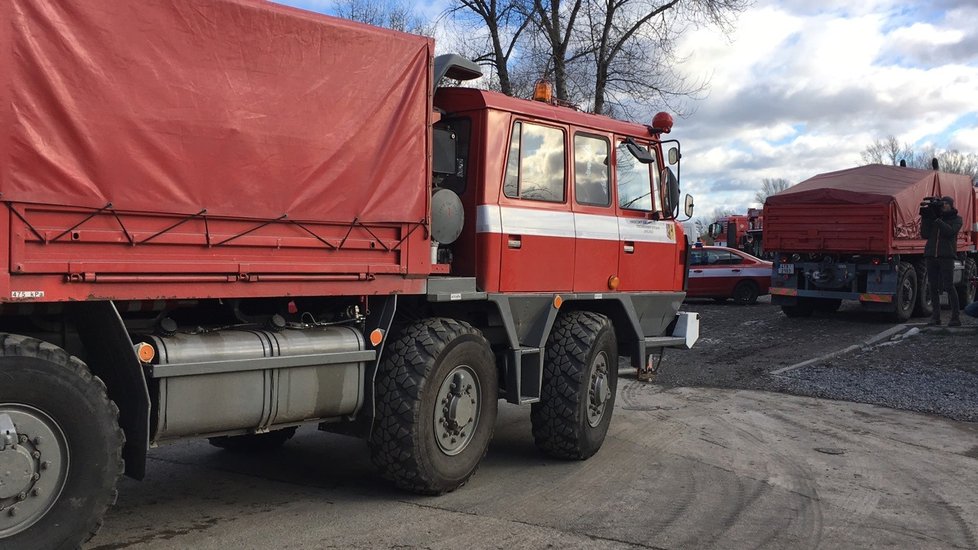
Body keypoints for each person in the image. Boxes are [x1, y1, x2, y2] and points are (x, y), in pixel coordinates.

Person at [921, 196, 962, 326]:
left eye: (945, 204)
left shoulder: (957, 219)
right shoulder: (936, 218)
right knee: (932, 287)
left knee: (949, 286)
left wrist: (937, 219)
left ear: (951, 205)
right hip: (931, 255)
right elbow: (925, 234)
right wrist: (926, 218)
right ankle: (935, 317)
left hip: (946, 256)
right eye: (942, 204)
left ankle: (955, 317)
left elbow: (949, 232)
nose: (943, 206)